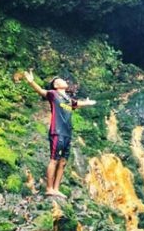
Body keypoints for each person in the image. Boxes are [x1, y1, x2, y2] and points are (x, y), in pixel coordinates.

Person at [22, 70, 96, 198]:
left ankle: (56, 188)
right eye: (59, 80)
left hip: (67, 133)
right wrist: (31, 82)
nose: (63, 80)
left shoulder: (68, 99)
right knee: (54, 160)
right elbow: (41, 91)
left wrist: (87, 103)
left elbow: (76, 104)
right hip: (57, 131)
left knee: (63, 162)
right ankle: (49, 188)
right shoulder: (53, 94)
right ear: (56, 85)